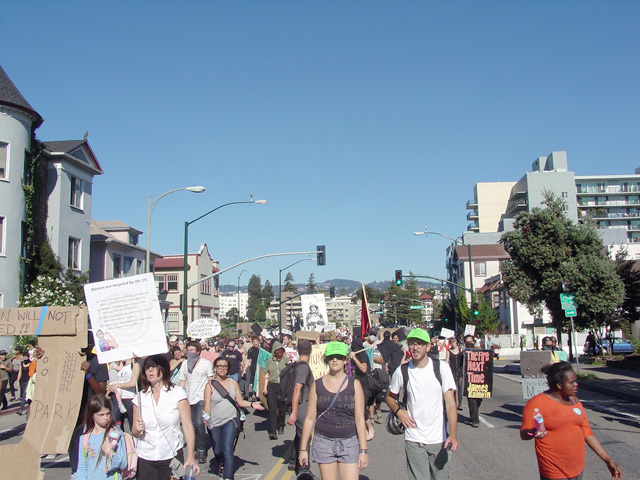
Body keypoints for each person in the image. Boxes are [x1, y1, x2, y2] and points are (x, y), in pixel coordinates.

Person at [520, 361, 623, 480]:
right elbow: (524, 434)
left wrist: (608, 460)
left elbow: (587, 432)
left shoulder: (574, 401)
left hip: (577, 469)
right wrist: (533, 432)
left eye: (576, 381)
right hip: (553, 471)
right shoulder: (536, 403)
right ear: (559, 385)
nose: (576, 384)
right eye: (571, 382)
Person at [386, 328, 458, 480]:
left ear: (428, 347)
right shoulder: (402, 371)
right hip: (414, 438)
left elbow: (451, 404)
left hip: (439, 439)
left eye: (420, 344)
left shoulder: (441, 368)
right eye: (412, 344)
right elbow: (390, 397)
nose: (415, 347)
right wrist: (399, 412)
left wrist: (453, 434)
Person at [299, 341, 368, 480]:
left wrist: (363, 450)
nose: (335, 360)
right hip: (323, 442)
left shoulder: (354, 384)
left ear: (345, 360)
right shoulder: (317, 385)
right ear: (326, 359)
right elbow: (310, 418)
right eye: (331, 357)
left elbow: (360, 419)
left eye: (338, 356)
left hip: (349, 441)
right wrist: (303, 449)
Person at [132, 355, 199, 480]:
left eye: (154, 366)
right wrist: (137, 428)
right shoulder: (139, 397)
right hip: (146, 456)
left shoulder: (177, 393)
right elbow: (135, 433)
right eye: (147, 368)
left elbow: (188, 427)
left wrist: (190, 456)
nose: (150, 370)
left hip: (171, 456)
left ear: (163, 369)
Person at [204, 356, 264, 480]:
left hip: (230, 420)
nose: (222, 368)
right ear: (215, 369)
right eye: (219, 366)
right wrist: (205, 417)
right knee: (217, 451)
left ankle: (228, 477)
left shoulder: (233, 383)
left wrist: (252, 404)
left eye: (224, 366)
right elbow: (207, 406)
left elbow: (240, 401)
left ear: (228, 369)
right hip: (214, 422)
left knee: (227, 450)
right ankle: (221, 464)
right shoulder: (209, 386)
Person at [76, 394, 127, 480]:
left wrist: (109, 452)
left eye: (108, 414)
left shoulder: (116, 434)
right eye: (101, 415)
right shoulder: (84, 439)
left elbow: (123, 464)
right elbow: (82, 468)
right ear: (92, 415)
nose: (106, 418)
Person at [179, 341, 214, 464]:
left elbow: (210, 380)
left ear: (198, 351)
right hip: (188, 398)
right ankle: (193, 447)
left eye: (192, 350)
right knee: (191, 425)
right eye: (188, 350)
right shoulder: (184, 364)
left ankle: (201, 450)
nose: (189, 353)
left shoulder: (206, 364)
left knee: (200, 423)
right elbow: (182, 381)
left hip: (201, 398)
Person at [285, 339, 314, 474]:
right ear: (311, 351)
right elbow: (297, 389)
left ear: (297, 351)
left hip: (302, 407)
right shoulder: (303, 367)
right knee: (305, 437)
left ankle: (292, 460)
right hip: (302, 408)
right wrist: (294, 412)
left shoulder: (299, 365)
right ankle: (304, 469)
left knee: (299, 435)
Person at [263, 340, 290, 439]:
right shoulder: (269, 361)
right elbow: (267, 374)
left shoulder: (286, 360)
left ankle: (281, 425)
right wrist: (265, 388)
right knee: (272, 409)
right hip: (272, 386)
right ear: (274, 351)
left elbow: (291, 371)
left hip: (283, 386)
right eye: (277, 351)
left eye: (281, 350)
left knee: (282, 408)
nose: (279, 352)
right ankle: (273, 431)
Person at [106, 358, 140, 430]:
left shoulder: (134, 365)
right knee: (113, 425)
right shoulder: (121, 367)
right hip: (118, 399)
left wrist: (118, 385)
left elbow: (133, 383)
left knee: (133, 425)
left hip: (129, 399)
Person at [463, 334, 483, 427]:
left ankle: (473, 415)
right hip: (469, 380)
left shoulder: (480, 352)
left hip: (479, 380)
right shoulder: (463, 353)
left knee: (478, 400)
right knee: (472, 400)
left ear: (474, 342)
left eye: (471, 341)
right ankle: (475, 420)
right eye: (467, 342)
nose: (469, 343)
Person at [445, 337, 464, 410]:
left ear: (456, 342)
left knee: (460, 386)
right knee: (453, 388)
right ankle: (454, 402)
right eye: (451, 343)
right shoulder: (449, 351)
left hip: (460, 370)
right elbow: (447, 361)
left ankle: (460, 403)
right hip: (452, 370)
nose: (453, 344)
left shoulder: (460, 350)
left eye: (454, 342)